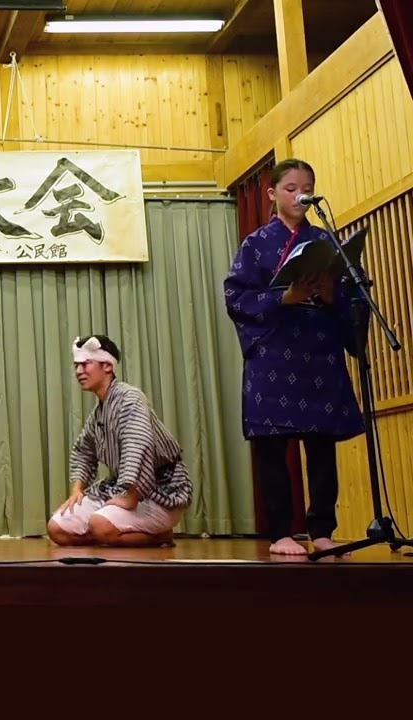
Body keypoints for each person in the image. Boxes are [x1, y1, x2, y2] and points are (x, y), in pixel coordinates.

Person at [223, 158, 365, 556]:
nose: (299, 194)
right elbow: (236, 297)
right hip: (275, 352)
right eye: (290, 188)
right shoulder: (255, 244)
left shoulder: (325, 241)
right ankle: (281, 532)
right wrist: (284, 296)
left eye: (306, 186)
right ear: (272, 194)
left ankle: (322, 528)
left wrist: (333, 293)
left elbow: (353, 298)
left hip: (319, 350)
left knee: (321, 445)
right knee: (273, 444)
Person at [47, 335, 192, 547]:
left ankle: (161, 535)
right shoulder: (99, 412)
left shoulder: (130, 398)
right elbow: (83, 450)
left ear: (107, 366)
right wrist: (77, 489)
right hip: (119, 488)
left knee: (98, 524)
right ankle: (112, 535)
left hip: (159, 491)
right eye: (76, 365)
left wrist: (131, 495)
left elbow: (138, 443)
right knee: (57, 528)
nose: (79, 371)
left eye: (86, 364)